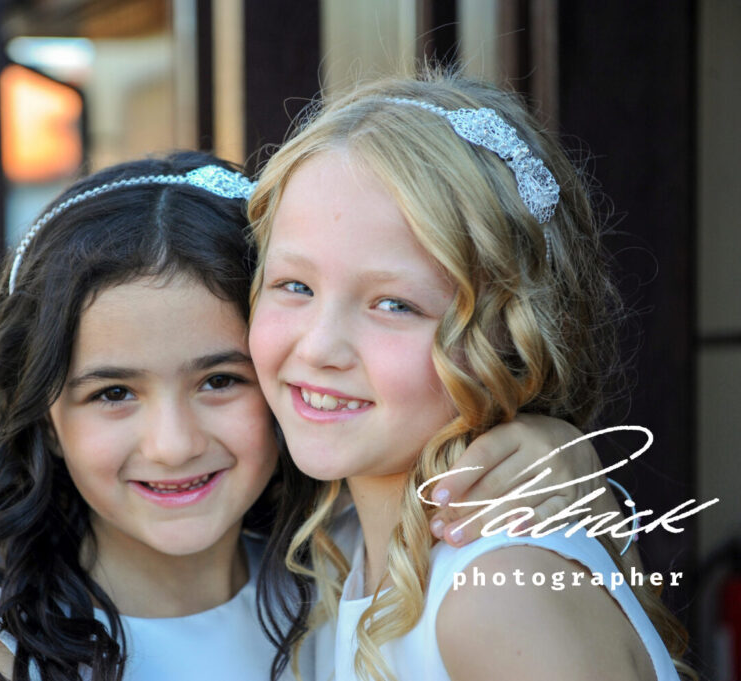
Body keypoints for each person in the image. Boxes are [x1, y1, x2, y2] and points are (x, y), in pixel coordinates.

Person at [0, 151, 623, 681]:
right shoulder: (3, 660)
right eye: (113, 393)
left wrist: (557, 448)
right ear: (44, 413)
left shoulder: (363, 559)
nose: (172, 445)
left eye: (220, 379)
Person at [247, 71, 692, 681]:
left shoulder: (495, 597)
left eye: (394, 304)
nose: (320, 346)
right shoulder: (344, 538)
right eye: (294, 286)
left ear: (511, 332)